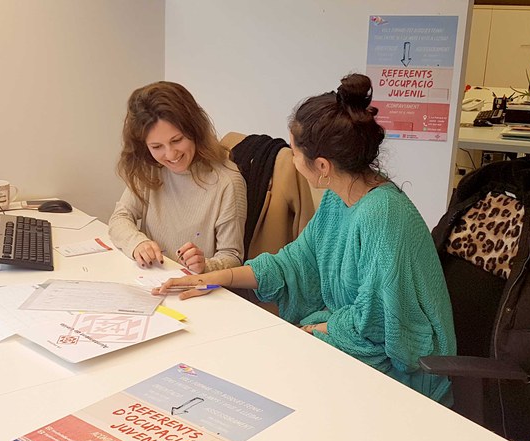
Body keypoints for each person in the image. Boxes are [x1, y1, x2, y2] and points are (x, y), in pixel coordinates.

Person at [155, 74, 457, 403]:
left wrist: (313, 330)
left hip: (399, 371)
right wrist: (218, 277)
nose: (292, 159)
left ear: (322, 165)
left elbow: (379, 323)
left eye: (295, 152)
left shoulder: (381, 215)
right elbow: (295, 263)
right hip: (353, 338)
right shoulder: (340, 196)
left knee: (260, 379)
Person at [108, 81, 247, 273]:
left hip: (196, 285)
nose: (171, 154)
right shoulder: (150, 166)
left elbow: (232, 257)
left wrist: (206, 265)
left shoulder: (227, 182)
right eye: (157, 146)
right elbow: (120, 217)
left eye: (177, 140)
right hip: (151, 277)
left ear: (194, 130)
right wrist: (137, 243)